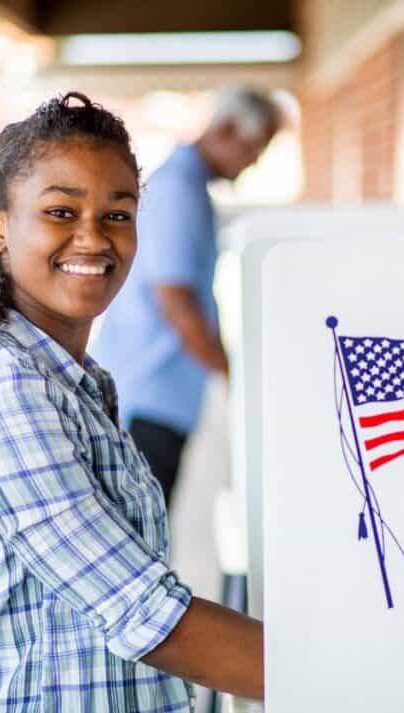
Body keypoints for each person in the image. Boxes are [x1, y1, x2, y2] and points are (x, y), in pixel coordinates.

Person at [0, 92, 263, 712]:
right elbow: (147, 615)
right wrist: (344, 671)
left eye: (117, 214)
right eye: (61, 211)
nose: (93, 238)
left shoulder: (74, 377)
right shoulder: (5, 389)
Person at [89, 87, 280, 508]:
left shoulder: (189, 183)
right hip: (147, 399)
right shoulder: (179, 188)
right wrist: (235, 376)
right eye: (256, 147)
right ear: (227, 130)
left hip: (159, 397)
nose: (255, 162)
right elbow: (175, 300)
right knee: (141, 537)